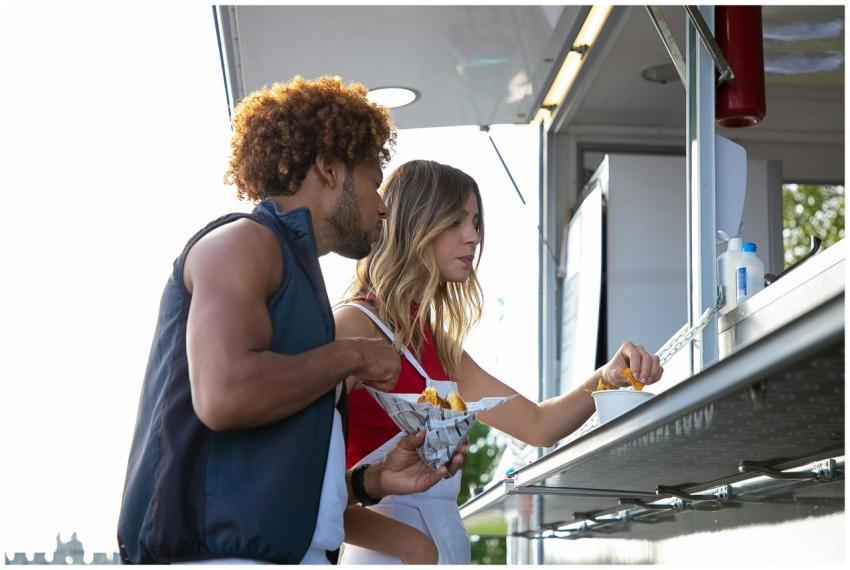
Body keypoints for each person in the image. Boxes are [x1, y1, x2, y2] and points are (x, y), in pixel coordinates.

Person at [116, 78, 466, 565]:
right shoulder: (241, 243)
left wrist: (372, 481)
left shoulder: (296, 272)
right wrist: (354, 355)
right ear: (328, 169)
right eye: (373, 180)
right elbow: (225, 395)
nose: (383, 205)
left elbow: (274, 469)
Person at [335, 160, 664, 564]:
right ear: (415, 224)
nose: (474, 237)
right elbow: (304, 486)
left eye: (475, 222)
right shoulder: (352, 324)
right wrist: (413, 546)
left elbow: (538, 426)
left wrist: (606, 377)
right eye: (457, 221)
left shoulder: (438, 344)